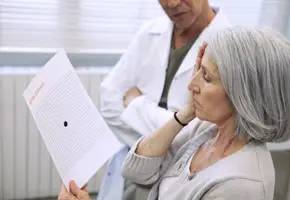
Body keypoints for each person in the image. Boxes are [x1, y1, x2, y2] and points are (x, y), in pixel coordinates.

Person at [58, 26, 290, 200]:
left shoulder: (240, 187)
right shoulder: (205, 129)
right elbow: (135, 170)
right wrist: (185, 113)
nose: (191, 84)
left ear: (243, 95)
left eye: (205, 76)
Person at [97, 0, 230, 199]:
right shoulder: (149, 32)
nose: (172, 3)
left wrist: (135, 103)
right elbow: (108, 102)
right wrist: (174, 129)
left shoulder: (231, 47)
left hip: (180, 185)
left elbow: (205, 136)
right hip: (129, 177)